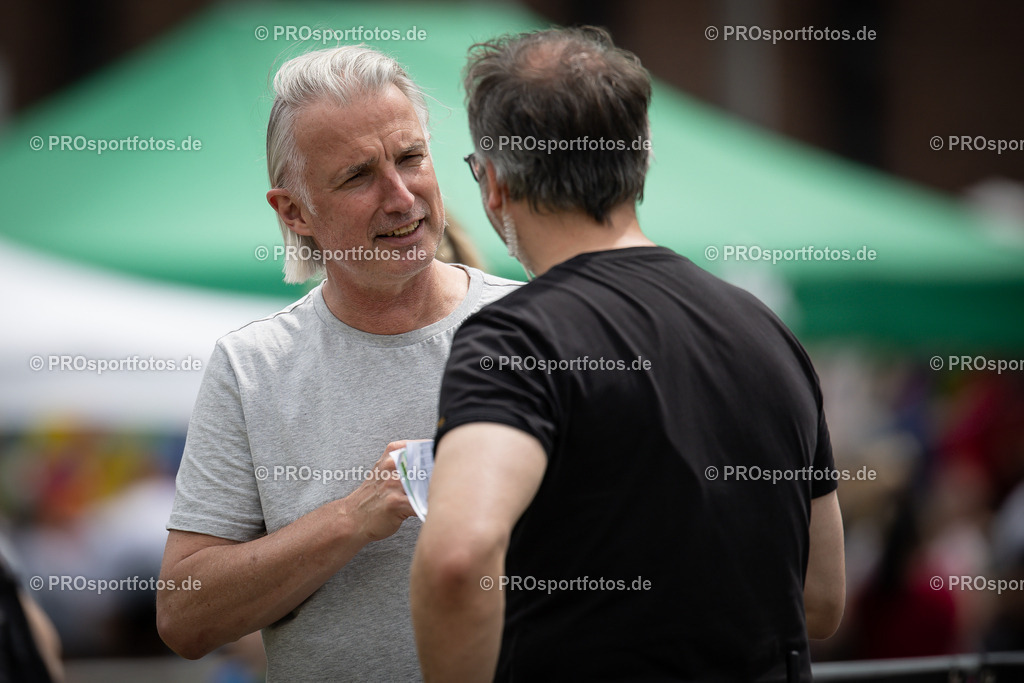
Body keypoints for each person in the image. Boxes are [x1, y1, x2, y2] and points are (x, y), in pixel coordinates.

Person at [410, 26, 846, 682]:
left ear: (494, 181)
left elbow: (457, 556)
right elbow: (821, 598)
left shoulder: (516, 340)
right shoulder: (768, 332)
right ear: (640, 160)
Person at [156, 45, 519, 680]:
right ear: (294, 212)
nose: (402, 197)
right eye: (358, 176)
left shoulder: (537, 328)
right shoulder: (252, 367)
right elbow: (185, 619)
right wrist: (357, 515)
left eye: (411, 158)